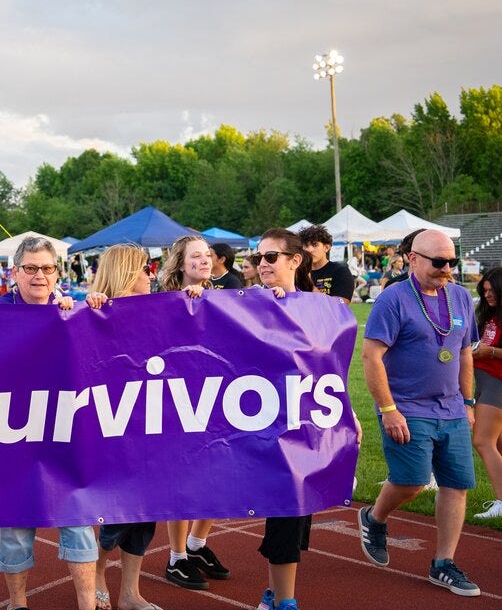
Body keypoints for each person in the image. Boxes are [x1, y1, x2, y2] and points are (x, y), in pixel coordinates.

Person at [359, 229, 480, 597]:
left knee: (457, 485)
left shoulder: (460, 297)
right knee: (411, 482)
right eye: (438, 262)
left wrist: (469, 402)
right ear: (413, 258)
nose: (447, 269)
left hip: (452, 408)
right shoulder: (393, 299)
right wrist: (389, 410)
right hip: (407, 407)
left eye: (451, 262)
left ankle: (443, 563)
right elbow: (371, 356)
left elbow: (463, 353)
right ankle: (374, 517)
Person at [248, 229, 356, 610]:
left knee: (300, 508)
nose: (262, 263)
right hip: (262, 427)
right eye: (258, 257)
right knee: (287, 505)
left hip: (305, 424)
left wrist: (348, 414)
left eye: (271, 256)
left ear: (295, 261)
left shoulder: (318, 308)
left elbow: (330, 369)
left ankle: (276, 594)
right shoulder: (243, 304)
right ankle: (284, 601)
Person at [0, 236, 93, 610]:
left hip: (67, 431)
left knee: (79, 522)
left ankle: (87, 605)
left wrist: (89, 309)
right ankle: (18, 604)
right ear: (15, 272)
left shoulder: (72, 307)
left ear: (57, 272)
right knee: (17, 528)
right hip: (15, 435)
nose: (40, 276)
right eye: (31, 268)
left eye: (47, 268)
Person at [84, 244, 162, 610]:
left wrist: (196, 296)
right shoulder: (96, 309)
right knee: (115, 513)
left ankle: (130, 592)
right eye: (143, 270)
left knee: (147, 512)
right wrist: (89, 306)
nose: (150, 275)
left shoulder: (161, 308)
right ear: (125, 273)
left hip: (155, 422)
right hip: (110, 426)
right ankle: (97, 571)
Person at [156, 235, 228, 591]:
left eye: (207, 255)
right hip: (180, 402)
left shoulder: (227, 297)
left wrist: (271, 298)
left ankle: (197, 544)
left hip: (220, 400)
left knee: (218, 474)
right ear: (180, 264)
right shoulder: (165, 302)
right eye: (195, 256)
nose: (204, 260)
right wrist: (187, 306)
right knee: (183, 480)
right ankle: (176, 556)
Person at [471, 267, 502, 519]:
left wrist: (488, 352)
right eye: (485, 290)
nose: (487, 294)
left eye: (492, 290)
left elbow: (490, 350)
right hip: (485, 379)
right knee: (498, 444)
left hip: (497, 381)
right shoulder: (489, 313)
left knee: (483, 441)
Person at [298, 225, 353, 305]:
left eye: (314, 245)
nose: (309, 250)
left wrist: (309, 284)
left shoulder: (340, 271)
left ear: (326, 247)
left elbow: (340, 305)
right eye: (306, 245)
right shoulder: (297, 272)